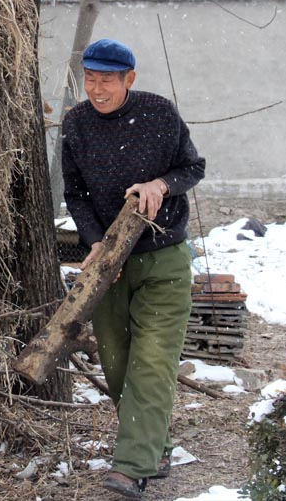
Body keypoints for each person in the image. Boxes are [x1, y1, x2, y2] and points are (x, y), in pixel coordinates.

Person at [62, 38, 206, 498]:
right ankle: (156, 446)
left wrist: (162, 184)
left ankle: (132, 466)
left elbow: (193, 167)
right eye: (90, 80)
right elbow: (76, 194)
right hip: (110, 264)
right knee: (118, 364)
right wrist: (95, 240)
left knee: (152, 362)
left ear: (129, 79)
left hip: (163, 259)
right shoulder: (76, 124)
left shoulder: (160, 114)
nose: (97, 90)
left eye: (106, 80)